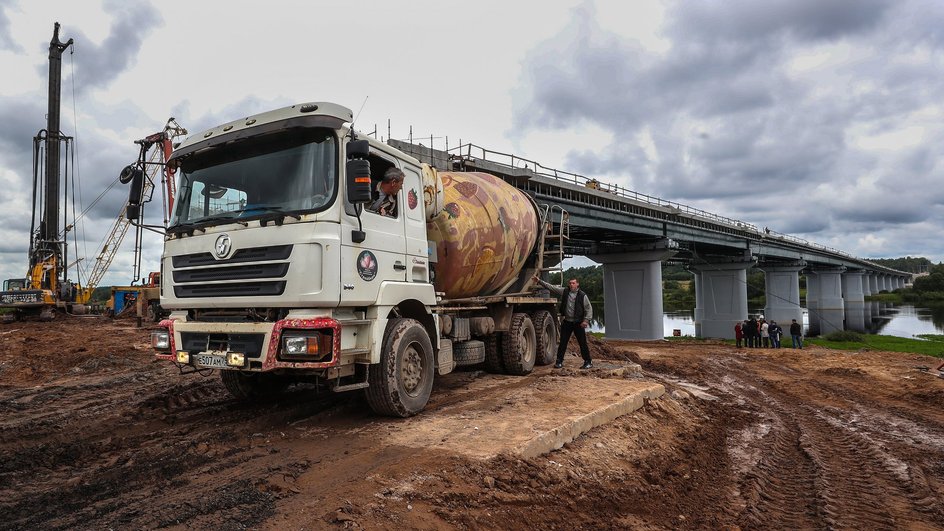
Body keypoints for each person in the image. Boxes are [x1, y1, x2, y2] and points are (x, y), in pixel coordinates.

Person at [534, 275, 593, 369]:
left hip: (578, 323)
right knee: (563, 343)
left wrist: (586, 320)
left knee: (582, 343)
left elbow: (588, 309)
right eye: (570, 283)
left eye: (573, 283)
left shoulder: (582, 295)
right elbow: (552, 288)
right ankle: (559, 362)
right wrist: (539, 281)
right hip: (567, 322)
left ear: (577, 284)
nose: (571, 285)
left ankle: (588, 362)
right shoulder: (565, 291)